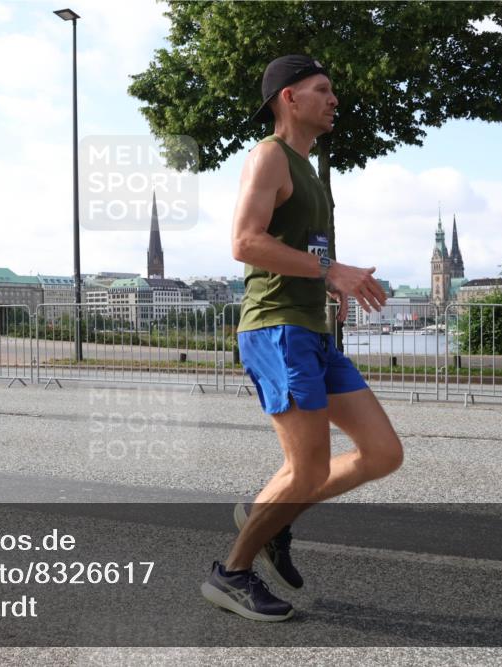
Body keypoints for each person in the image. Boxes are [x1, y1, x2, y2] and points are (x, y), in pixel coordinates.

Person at [200, 54, 404, 622]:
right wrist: (332, 270)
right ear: (288, 97)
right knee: (307, 469)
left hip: (312, 329)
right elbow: (245, 242)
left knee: (383, 453)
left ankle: (270, 513)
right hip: (277, 328)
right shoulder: (268, 155)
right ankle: (231, 575)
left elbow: (302, 251)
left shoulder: (310, 170)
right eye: (322, 89)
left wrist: (329, 281)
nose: (334, 99)